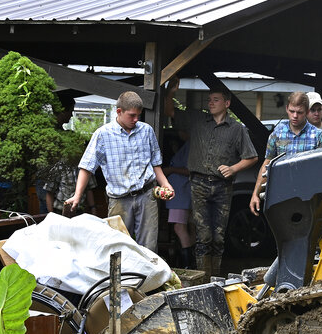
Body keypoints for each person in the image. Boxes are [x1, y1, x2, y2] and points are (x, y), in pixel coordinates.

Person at [164, 80, 258, 277]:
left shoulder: (237, 129)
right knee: (203, 236)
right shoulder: (198, 119)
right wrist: (170, 92)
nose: (211, 103)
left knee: (218, 237)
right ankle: (203, 278)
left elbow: (252, 157)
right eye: (209, 100)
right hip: (198, 183)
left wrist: (233, 168)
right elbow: (170, 111)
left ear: (227, 103)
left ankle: (214, 277)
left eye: (216, 99)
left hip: (223, 186)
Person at [66, 91, 174, 252]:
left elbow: (155, 164)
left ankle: (148, 269)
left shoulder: (146, 131)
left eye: (138, 115)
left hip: (146, 195)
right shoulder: (103, 134)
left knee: (149, 247)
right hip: (119, 199)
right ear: (119, 111)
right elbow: (86, 167)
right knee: (118, 248)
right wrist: (77, 195)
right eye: (132, 115)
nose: (136, 119)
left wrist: (166, 184)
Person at [250, 91, 322, 216]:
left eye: (300, 112)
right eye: (292, 111)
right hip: (281, 196)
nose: (295, 116)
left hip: (308, 197)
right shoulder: (277, 134)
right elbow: (267, 164)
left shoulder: (318, 136)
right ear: (287, 108)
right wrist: (255, 194)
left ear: (307, 111)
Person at [161, 135, 194, 268]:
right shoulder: (188, 146)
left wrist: (170, 170)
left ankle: (188, 265)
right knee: (190, 227)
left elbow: (190, 170)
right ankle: (190, 262)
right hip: (183, 192)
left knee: (179, 227)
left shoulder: (189, 146)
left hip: (180, 192)